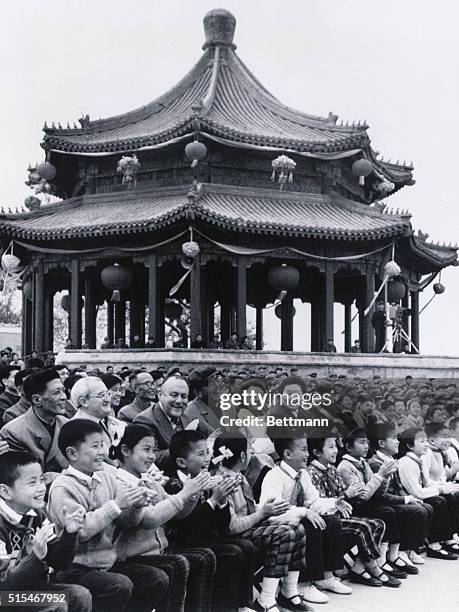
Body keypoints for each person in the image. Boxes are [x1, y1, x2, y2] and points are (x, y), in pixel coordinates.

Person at [48, 419, 170, 612]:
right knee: (119, 585)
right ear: (72, 453)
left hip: (106, 562)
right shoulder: (63, 487)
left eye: (103, 445)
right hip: (75, 566)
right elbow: (81, 531)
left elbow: (127, 522)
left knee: (156, 579)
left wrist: (136, 505)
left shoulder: (105, 477)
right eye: (95, 446)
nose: (102, 452)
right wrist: (115, 505)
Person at [115, 424, 216, 612]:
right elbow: (149, 519)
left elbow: (178, 513)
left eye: (153, 450)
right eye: (146, 450)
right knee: (177, 564)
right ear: (125, 451)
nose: (152, 457)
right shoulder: (119, 484)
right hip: (133, 557)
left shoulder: (149, 481)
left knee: (204, 557)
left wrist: (193, 493)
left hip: (157, 552)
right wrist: (185, 493)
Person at [212, 435, 312, 612]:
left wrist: (268, 508)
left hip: (248, 528)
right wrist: (263, 513)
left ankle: (288, 592)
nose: (252, 455)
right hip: (232, 537)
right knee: (284, 533)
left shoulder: (238, 477)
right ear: (243, 456)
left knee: (296, 527)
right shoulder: (223, 482)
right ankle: (266, 599)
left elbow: (249, 509)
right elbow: (231, 527)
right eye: (250, 451)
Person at [165, 430, 259, 612]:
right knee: (231, 552)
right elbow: (185, 528)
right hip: (181, 542)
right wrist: (213, 500)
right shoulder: (175, 485)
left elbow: (222, 525)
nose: (207, 458)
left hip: (203, 539)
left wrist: (223, 500)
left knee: (245, 546)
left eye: (207, 452)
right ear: (181, 462)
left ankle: (241, 605)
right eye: (201, 454)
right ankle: (223, 608)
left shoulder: (207, 480)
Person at [261, 434, 351, 603]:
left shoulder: (303, 475)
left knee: (332, 520)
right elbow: (274, 511)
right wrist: (304, 512)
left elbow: (313, 501)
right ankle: (303, 584)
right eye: (303, 450)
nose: (307, 454)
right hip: (279, 524)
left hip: (296, 519)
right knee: (309, 526)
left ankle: (326, 576)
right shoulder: (274, 476)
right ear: (288, 454)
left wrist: (333, 503)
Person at [0, 451, 92, 612]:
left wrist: (69, 534)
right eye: (32, 483)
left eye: (41, 480)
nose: (41, 488)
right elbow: (5, 586)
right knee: (56, 604)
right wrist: (35, 557)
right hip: (4, 596)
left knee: (79, 595)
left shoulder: (37, 515)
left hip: (27, 589)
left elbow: (59, 562)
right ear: (6, 491)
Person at [307, 435, 386, 587]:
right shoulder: (312, 472)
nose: (336, 450)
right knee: (363, 527)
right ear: (317, 452)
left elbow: (344, 494)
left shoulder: (331, 469)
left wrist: (350, 494)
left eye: (336, 446)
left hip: (339, 516)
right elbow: (321, 503)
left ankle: (360, 566)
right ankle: (373, 566)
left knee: (378, 524)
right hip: (327, 521)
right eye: (330, 447)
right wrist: (346, 495)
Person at [368, 423, 433, 566]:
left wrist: (410, 498)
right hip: (382, 504)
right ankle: (399, 551)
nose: (398, 441)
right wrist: (405, 499)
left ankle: (410, 549)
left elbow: (398, 488)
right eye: (393, 438)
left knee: (426, 507)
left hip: (392, 500)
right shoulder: (376, 464)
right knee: (416, 511)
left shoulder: (391, 460)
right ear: (381, 443)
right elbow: (380, 496)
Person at [397, 426, 459, 559]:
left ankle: (447, 538)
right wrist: (440, 489)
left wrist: (445, 486)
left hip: (418, 495)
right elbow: (416, 492)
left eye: (426, 441)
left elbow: (427, 482)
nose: (427, 444)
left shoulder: (417, 460)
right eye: (422, 442)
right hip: (409, 498)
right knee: (438, 501)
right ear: (409, 445)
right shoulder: (406, 463)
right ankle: (434, 544)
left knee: (448, 496)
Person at [0, 369, 69, 479]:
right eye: (56, 392)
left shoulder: (66, 424)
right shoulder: (14, 432)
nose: (64, 397)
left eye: (63, 391)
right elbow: (24, 477)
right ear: (37, 400)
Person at [133, 376, 198, 472]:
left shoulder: (186, 417)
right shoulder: (144, 420)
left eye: (183, 396)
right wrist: (184, 443)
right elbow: (151, 457)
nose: (179, 401)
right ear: (159, 394)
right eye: (174, 395)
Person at [69, 376, 126, 460]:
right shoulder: (74, 429)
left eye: (108, 394)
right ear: (84, 401)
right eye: (101, 395)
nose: (108, 399)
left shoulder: (114, 422)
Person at [184, 367, 221, 434]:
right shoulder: (190, 413)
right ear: (198, 393)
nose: (217, 385)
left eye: (217, 380)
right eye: (211, 383)